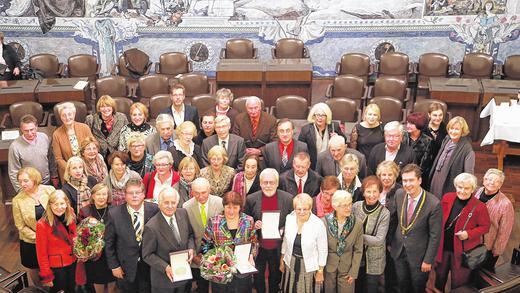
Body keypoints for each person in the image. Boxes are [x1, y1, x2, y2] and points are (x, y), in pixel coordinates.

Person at [390, 164, 441, 293]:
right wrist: (390, 243)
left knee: (417, 288)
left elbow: (435, 236)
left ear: (419, 180)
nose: (407, 184)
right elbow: (393, 220)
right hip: (399, 251)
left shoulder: (433, 203)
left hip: (419, 257)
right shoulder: (399, 194)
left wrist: (428, 260)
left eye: (411, 180)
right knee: (402, 285)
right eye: (405, 180)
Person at [435, 173, 490, 290]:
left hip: (462, 251)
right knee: (439, 279)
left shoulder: (479, 206)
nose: (462, 191)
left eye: (466, 188)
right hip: (443, 248)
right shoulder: (447, 197)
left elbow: (485, 227)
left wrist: (468, 234)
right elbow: (439, 218)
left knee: (459, 283)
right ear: (456, 186)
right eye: (460, 187)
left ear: (473, 189)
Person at [104, 179, 159, 293]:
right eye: (130, 193)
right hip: (125, 267)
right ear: (125, 195)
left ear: (143, 194)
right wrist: (114, 266)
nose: (134, 196)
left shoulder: (154, 209)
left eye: (137, 192)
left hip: (150, 266)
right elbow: (109, 243)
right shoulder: (114, 214)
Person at [244, 168, 294, 293]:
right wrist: (254, 225)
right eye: (265, 182)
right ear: (260, 183)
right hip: (259, 246)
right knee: (258, 276)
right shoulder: (251, 199)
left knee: (275, 275)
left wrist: (283, 229)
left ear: (277, 183)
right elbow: (245, 222)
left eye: (271, 182)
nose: (268, 185)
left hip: (278, 246)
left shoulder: (288, 199)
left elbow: (292, 222)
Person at [200, 191, 258, 292]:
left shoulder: (248, 221)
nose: (231, 211)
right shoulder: (214, 222)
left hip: (242, 272)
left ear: (240, 207)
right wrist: (212, 261)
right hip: (221, 273)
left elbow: (254, 242)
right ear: (224, 206)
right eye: (228, 207)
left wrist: (252, 255)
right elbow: (205, 245)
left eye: (235, 208)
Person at [142, 187, 195, 293]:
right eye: (166, 203)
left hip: (183, 275)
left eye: (173, 202)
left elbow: (190, 235)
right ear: (159, 203)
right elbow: (147, 255)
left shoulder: (183, 213)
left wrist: (191, 248)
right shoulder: (151, 227)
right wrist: (166, 267)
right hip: (163, 280)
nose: (170, 206)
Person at [12, 167, 55, 285]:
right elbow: (20, 225)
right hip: (31, 242)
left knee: (54, 265)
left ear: (34, 179)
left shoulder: (49, 190)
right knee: (34, 269)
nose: (22, 184)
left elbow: (59, 210)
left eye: (25, 181)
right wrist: (39, 237)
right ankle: (39, 289)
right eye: (20, 181)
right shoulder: (17, 200)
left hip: (53, 237)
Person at [183, 178, 224, 293]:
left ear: (209, 190)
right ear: (191, 192)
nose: (200, 196)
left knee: (219, 287)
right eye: (196, 193)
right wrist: (194, 255)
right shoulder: (186, 207)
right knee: (202, 287)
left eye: (203, 192)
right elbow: (187, 234)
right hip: (197, 256)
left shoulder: (220, 203)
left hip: (217, 255)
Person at [280, 193, 328, 293]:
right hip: (290, 262)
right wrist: (282, 259)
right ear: (294, 208)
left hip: (309, 266)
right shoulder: (289, 218)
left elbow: (323, 250)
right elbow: (285, 240)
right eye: (298, 209)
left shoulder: (318, 224)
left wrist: (320, 271)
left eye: (305, 209)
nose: (301, 212)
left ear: (310, 208)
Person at [352, 176, 390, 293]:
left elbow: (379, 239)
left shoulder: (384, 213)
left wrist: (356, 237)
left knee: (371, 288)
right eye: (368, 191)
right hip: (356, 257)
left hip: (374, 259)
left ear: (380, 192)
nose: (371, 195)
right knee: (357, 287)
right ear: (363, 192)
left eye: (375, 191)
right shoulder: (356, 206)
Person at [77, 183, 116, 293]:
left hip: (111, 252)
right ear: (92, 196)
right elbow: (80, 234)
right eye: (98, 194)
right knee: (97, 280)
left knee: (112, 280)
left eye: (104, 194)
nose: (101, 197)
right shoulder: (85, 211)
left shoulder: (114, 210)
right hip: (94, 255)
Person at [36, 190, 77, 293]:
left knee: (73, 289)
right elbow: (41, 253)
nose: (59, 207)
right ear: (50, 205)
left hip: (73, 261)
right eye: (55, 204)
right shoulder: (42, 224)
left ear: (67, 203)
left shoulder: (70, 212)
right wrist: (47, 275)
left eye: (62, 203)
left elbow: (73, 233)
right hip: (57, 268)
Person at [322, 190, 363, 293]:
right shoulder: (324, 222)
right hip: (328, 267)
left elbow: (358, 250)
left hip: (347, 268)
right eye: (344, 205)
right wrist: (320, 269)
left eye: (350, 204)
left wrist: (353, 272)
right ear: (335, 206)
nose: (349, 208)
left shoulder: (357, 223)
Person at [474, 168, 514, 272]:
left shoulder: (505, 204)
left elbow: (504, 231)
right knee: (469, 271)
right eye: (489, 179)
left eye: (497, 181)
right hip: (472, 241)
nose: (492, 183)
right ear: (483, 180)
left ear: (500, 185)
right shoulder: (477, 192)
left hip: (488, 247)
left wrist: (497, 250)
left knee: (482, 274)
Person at [9, 114, 58, 192]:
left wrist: (54, 176)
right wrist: (20, 190)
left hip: (46, 183)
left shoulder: (44, 138)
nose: (29, 133)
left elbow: (51, 159)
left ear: (36, 127)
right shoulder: (15, 146)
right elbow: (13, 172)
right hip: (29, 187)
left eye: (32, 129)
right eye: (26, 130)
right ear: (21, 129)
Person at [429, 116, 475, 199]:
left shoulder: (467, 149)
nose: (453, 131)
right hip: (437, 178)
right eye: (451, 128)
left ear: (462, 131)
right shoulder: (447, 140)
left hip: (449, 184)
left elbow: (469, 174)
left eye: (457, 129)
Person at [375, 160, 401, 293]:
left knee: (391, 270)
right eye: (383, 174)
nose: (386, 178)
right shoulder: (374, 188)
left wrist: (391, 241)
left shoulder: (400, 191)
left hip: (392, 239)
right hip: (375, 237)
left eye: (390, 175)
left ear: (395, 175)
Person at [52, 102, 93, 183]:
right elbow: (58, 159)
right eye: (64, 115)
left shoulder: (85, 128)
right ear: (60, 117)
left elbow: (94, 145)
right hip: (68, 173)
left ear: (74, 114)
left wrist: (84, 167)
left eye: (69, 114)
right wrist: (71, 169)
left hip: (87, 169)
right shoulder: (56, 134)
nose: (67, 117)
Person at [298, 103, 346, 170]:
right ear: (313, 116)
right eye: (317, 115)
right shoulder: (305, 129)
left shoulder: (334, 126)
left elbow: (344, 140)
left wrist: (337, 137)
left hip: (330, 163)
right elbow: (300, 147)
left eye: (323, 115)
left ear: (327, 116)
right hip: (312, 164)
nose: (320, 118)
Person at [403, 112, 433, 181]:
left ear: (420, 124)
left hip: (416, 175)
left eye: (411, 124)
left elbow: (424, 164)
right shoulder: (402, 136)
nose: (408, 125)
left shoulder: (428, 141)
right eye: (407, 123)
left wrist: (414, 175)